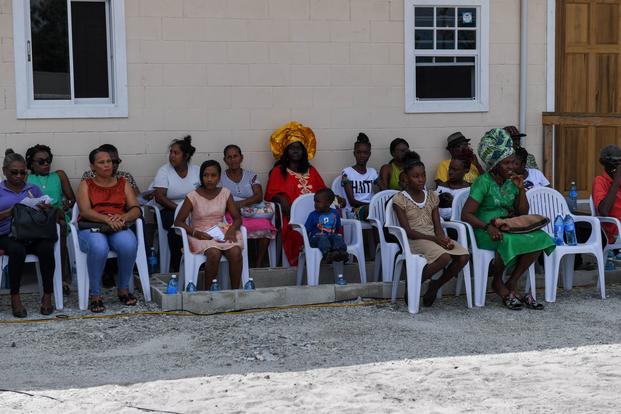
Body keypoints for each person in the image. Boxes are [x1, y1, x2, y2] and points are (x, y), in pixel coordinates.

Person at [461, 128, 555, 310]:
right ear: (495, 165)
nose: (511, 167)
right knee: (508, 240)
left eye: (513, 162)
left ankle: (511, 282)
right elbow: (466, 214)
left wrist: (521, 189)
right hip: (485, 230)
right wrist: (488, 227)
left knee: (539, 238)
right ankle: (497, 282)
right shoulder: (483, 182)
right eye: (506, 163)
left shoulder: (512, 182)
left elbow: (522, 212)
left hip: (507, 227)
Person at [393, 159, 470, 307]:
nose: (421, 179)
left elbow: (437, 225)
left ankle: (435, 285)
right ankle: (414, 283)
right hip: (415, 240)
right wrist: (435, 239)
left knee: (463, 257)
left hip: (433, 237)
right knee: (444, 258)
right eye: (416, 176)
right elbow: (408, 231)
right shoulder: (400, 199)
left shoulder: (432, 196)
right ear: (407, 178)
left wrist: (442, 238)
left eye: (423, 175)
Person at [76, 147, 143, 313]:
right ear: (92, 167)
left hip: (118, 224)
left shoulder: (123, 183)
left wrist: (122, 218)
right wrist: (106, 219)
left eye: (109, 162)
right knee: (99, 247)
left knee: (129, 244)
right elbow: (84, 211)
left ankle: (123, 289)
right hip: (93, 225)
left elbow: (136, 209)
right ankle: (95, 294)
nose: (107, 165)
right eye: (101, 162)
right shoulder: (86, 184)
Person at [0, 149, 56, 318]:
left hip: (32, 233)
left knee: (47, 247)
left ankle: (47, 295)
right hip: (6, 235)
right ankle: (15, 296)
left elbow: (44, 214)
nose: (19, 176)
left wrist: (43, 208)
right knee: (17, 251)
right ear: (4, 171)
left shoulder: (33, 189)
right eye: (14, 172)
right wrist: (10, 212)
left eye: (23, 172)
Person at [174, 160, 244, 290]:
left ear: (219, 177)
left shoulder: (225, 193)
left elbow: (237, 219)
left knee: (235, 252)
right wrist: (195, 233)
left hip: (221, 231)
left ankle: (236, 293)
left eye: (213, 175)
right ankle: (208, 293)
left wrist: (231, 230)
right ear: (201, 177)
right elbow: (178, 222)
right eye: (206, 175)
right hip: (200, 234)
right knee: (213, 253)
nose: (209, 179)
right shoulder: (193, 196)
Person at [265, 121, 327, 266]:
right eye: (292, 148)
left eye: (299, 148)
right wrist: (280, 198)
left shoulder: (312, 171)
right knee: (296, 232)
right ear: (286, 151)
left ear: (304, 151)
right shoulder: (278, 171)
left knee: (333, 221)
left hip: (318, 215)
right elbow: (269, 195)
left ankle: (329, 257)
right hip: (292, 218)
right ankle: (304, 261)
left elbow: (323, 190)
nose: (295, 151)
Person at [26, 144, 76, 295]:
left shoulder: (59, 175)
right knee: (57, 225)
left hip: (58, 214)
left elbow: (72, 199)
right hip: (37, 216)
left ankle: (61, 278)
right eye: (41, 162)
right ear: (31, 164)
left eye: (48, 160)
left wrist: (68, 204)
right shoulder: (27, 178)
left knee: (60, 224)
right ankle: (57, 279)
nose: (46, 164)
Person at [220, 144, 276, 267]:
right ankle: (239, 263)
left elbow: (258, 196)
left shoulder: (251, 176)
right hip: (232, 215)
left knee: (266, 225)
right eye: (229, 157)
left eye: (235, 156)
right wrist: (233, 207)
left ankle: (258, 263)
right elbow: (219, 199)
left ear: (241, 158)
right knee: (233, 227)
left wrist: (239, 204)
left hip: (252, 212)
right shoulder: (221, 178)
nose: (233, 159)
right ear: (225, 160)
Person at [153, 135, 201, 272]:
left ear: (185, 156)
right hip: (169, 210)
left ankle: (200, 262)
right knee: (177, 228)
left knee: (203, 222)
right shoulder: (164, 171)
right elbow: (160, 197)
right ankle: (178, 265)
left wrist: (190, 210)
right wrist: (181, 210)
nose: (172, 156)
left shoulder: (197, 171)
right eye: (171, 152)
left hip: (193, 210)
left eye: (176, 153)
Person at [305, 189, 348, 263]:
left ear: (329, 203)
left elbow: (337, 227)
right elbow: (306, 230)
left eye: (318, 202)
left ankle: (340, 253)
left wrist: (334, 235)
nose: (315, 204)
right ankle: (328, 255)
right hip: (316, 239)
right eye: (315, 201)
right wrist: (304, 243)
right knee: (323, 237)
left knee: (338, 237)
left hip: (330, 237)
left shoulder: (335, 213)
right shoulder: (312, 215)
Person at [341, 133, 378, 220]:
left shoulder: (372, 172)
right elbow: (352, 202)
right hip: (355, 210)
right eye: (359, 152)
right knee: (374, 211)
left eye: (365, 153)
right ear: (354, 153)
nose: (362, 155)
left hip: (372, 208)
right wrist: (373, 205)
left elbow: (383, 188)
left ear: (369, 154)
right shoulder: (346, 172)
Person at [592, 145, 621, 242]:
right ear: (605, 164)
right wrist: (616, 180)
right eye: (614, 162)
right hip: (616, 231)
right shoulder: (600, 181)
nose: (618, 165)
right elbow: (603, 210)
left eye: (620, 161)